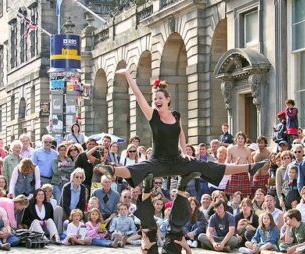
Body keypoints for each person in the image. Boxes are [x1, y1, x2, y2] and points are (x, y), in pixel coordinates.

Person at [95, 69, 267, 191]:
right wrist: (127, 75)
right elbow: (139, 96)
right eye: (155, 99)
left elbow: (181, 134)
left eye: (160, 98)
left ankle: (249, 167)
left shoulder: (176, 116)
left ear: (168, 99)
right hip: (158, 161)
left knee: (211, 166)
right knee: (138, 169)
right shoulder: (152, 115)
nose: (156, 101)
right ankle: (111, 170)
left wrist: (184, 152)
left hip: (178, 160)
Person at [135, 174, 205, 254]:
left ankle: (146, 189)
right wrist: (187, 248)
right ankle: (182, 186)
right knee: (176, 229)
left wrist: (145, 250)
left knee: (150, 230)